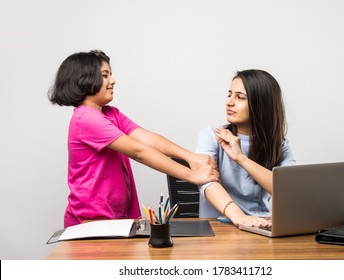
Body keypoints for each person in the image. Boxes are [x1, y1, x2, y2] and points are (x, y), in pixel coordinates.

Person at [48, 50, 219, 227]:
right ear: (85, 80)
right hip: (91, 221)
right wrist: (191, 175)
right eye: (105, 75)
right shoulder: (86, 118)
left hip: (117, 218)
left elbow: (147, 139)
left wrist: (190, 157)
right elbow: (139, 152)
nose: (112, 81)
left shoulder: (111, 114)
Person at [196, 69, 295, 228]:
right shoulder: (211, 135)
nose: (229, 102)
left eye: (240, 97)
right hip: (219, 227)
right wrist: (239, 216)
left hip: (262, 224)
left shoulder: (280, 145)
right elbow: (207, 182)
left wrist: (241, 158)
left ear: (262, 105)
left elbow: (287, 191)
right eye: (230, 95)